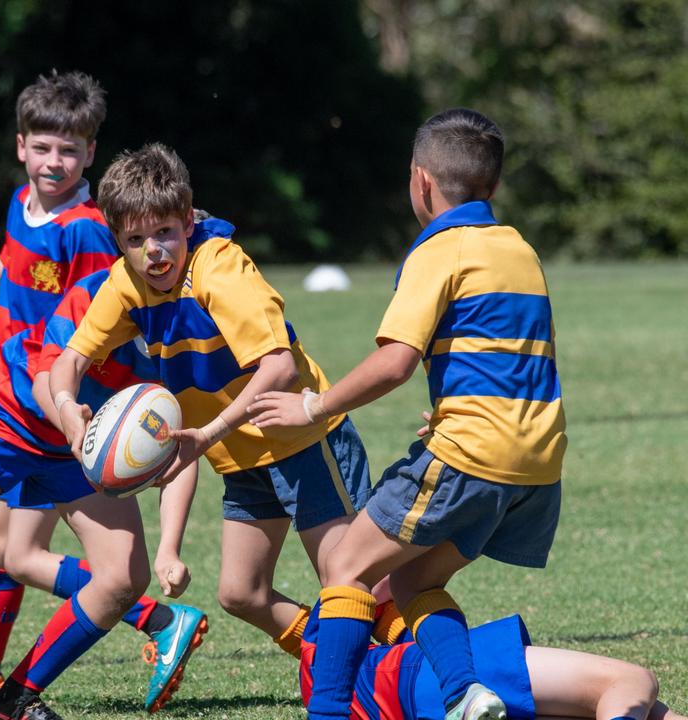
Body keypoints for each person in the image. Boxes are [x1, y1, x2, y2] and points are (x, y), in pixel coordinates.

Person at [250, 108, 566, 720]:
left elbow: (395, 362)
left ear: (420, 180)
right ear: (492, 187)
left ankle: (331, 712)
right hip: (536, 458)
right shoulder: (518, 248)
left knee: (346, 565)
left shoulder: (440, 248)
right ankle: (465, 695)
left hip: (474, 450)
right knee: (412, 582)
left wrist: (313, 406)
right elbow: (507, 351)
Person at [47, 144, 374, 679]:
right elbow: (71, 360)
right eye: (135, 240)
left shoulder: (219, 268)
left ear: (187, 217)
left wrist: (210, 432)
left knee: (349, 583)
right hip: (243, 459)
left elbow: (279, 369)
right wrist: (68, 408)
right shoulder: (126, 285)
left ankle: (398, 679)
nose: (153, 251)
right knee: (241, 593)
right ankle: (341, 662)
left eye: (164, 234)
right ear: (118, 240)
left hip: (305, 441)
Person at [0, 271, 209, 716]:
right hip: (33, 403)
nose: (152, 250)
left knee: (18, 552)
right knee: (6, 549)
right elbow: (14, 263)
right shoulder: (31, 207)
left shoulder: (89, 237)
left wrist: (169, 548)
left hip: (62, 429)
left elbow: (183, 442)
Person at [298, 604, 680, 720]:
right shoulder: (347, 581)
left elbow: (241, 595)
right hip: (427, 678)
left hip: (416, 704)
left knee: (649, 712)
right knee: (629, 681)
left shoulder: (319, 674)